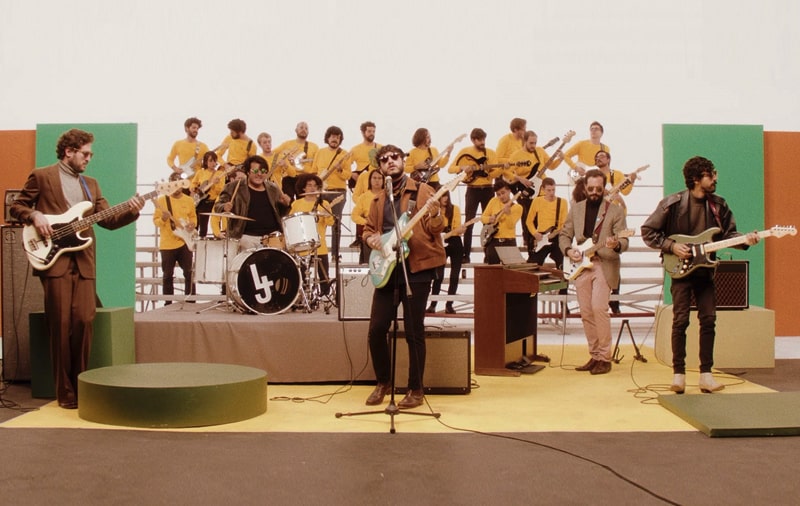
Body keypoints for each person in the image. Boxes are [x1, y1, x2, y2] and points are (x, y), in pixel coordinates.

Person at [10, 128, 144, 409]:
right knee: (60, 324)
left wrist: (133, 209)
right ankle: (65, 391)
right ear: (69, 152)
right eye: (85, 153)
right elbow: (18, 206)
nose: (88, 159)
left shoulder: (91, 185)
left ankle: (81, 385)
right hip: (53, 259)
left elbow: (108, 220)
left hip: (84, 262)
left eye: (90, 154)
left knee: (84, 321)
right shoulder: (42, 176)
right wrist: (34, 215)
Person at [641, 156, 759, 394]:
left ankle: (706, 375)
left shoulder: (719, 205)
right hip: (680, 270)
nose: (715, 178)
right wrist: (672, 246)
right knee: (680, 320)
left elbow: (728, 235)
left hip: (705, 271)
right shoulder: (672, 203)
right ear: (696, 179)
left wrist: (745, 240)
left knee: (708, 320)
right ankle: (679, 375)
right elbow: (648, 231)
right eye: (710, 174)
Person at [363, 145, 445, 409]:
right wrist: (372, 239)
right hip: (387, 269)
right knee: (376, 330)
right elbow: (367, 231)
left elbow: (437, 228)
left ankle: (416, 389)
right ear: (380, 168)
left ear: (403, 160)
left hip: (416, 268)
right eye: (384, 160)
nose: (390, 162)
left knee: (413, 331)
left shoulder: (423, 192)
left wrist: (435, 213)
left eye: (394, 157)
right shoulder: (377, 200)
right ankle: (383, 382)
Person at [558, 169, 628, 376]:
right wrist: (569, 250)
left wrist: (615, 245)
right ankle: (595, 355)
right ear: (584, 188)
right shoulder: (576, 209)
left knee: (599, 308)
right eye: (591, 188)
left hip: (604, 264)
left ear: (604, 187)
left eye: (599, 188)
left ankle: (605, 358)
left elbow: (624, 240)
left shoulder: (614, 211)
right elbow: (564, 234)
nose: (595, 192)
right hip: (581, 266)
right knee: (586, 312)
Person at [448, 128, 505, 263]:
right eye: (479, 140)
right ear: (473, 140)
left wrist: (490, 173)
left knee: (490, 221)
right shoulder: (465, 152)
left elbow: (497, 171)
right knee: (469, 221)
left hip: (488, 189)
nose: (482, 142)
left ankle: (489, 254)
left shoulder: (490, 153)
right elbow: (450, 169)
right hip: (472, 189)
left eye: (484, 139)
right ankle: (465, 254)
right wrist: (462, 168)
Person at [214, 155, 291, 253]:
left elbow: (281, 214)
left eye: (263, 171)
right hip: (245, 237)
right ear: (247, 172)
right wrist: (224, 207)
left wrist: (285, 205)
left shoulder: (273, 188)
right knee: (250, 264)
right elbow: (218, 206)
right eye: (255, 171)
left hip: (272, 237)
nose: (259, 174)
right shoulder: (233, 187)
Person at [594, 149, 638, 314]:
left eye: (602, 156)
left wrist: (631, 181)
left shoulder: (616, 175)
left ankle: (614, 300)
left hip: (614, 218)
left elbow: (625, 191)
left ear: (609, 159)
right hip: (597, 219)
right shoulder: (592, 176)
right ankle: (599, 300)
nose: (599, 158)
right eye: (596, 157)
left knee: (613, 257)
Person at [507, 130, 563, 251]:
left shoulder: (540, 152)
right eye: (531, 143)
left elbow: (552, 166)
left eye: (535, 143)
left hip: (541, 192)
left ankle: (543, 246)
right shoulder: (516, 155)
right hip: (525, 190)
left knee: (541, 220)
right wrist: (521, 179)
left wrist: (561, 159)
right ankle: (529, 244)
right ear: (525, 142)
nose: (533, 146)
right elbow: (506, 172)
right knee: (527, 217)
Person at [153, 173, 197, 304]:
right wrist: (163, 218)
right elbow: (156, 221)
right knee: (167, 275)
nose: (177, 188)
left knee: (189, 272)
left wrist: (192, 224)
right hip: (167, 243)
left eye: (179, 184)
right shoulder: (162, 200)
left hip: (184, 242)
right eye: (174, 184)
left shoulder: (189, 200)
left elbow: (193, 217)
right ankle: (168, 302)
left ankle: (191, 301)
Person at [290, 174, 336, 295]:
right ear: (303, 188)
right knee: (302, 276)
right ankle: (304, 296)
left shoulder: (324, 203)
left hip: (320, 245)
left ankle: (325, 297)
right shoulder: (297, 204)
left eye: (315, 186)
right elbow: (291, 222)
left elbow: (331, 222)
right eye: (309, 185)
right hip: (302, 245)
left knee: (323, 277)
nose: (312, 188)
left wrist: (326, 215)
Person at [312, 126, 351, 260]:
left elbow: (348, 176)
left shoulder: (344, 154)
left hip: (338, 192)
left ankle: (335, 254)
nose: (335, 139)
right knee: (318, 221)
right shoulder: (320, 152)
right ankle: (316, 252)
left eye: (338, 137)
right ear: (328, 138)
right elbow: (314, 171)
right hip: (322, 191)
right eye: (333, 136)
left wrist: (340, 170)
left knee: (336, 222)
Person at [426, 191, 464, 314]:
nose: (445, 198)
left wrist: (455, 231)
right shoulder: (434, 211)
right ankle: (433, 305)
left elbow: (457, 228)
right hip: (440, 242)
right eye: (442, 196)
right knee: (438, 275)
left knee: (454, 275)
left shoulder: (455, 209)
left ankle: (449, 304)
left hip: (455, 242)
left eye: (446, 195)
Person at [525, 177, 567, 269]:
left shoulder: (562, 202)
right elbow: (529, 221)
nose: (552, 193)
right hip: (541, 237)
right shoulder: (537, 200)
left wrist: (555, 233)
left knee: (563, 266)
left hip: (557, 238)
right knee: (532, 266)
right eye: (549, 190)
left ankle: (564, 282)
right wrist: (535, 233)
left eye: (553, 190)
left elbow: (564, 224)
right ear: (543, 189)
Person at [480, 179, 523, 265]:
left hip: (509, 241)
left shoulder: (518, 207)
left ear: (509, 191)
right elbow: (482, 218)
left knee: (510, 272)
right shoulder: (493, 201)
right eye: (498, 194)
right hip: (493, 241)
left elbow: (511, 225)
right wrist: (490, 219)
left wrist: (508, 214)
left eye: (503, 193)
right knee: (493, 270)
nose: (501, 196)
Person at [274, 121, 319, 200]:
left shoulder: (314, 147)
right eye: (301, 127)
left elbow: (317, 165)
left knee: (303, 201)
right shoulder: (287, 144)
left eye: (306, 128)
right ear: (296, 130)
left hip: (304, 178)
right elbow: (273, 154)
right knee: (288, 202)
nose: (304, 130)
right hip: (288, 177)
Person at [351, 169, 385, 264]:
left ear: (383, 180)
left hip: (386, 231)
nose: (377, 181)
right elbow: (354, 215)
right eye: (374, 178)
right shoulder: (364, 197)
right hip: (370, 232)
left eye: (379, 178)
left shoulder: (388, 195)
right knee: (369, 263)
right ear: (370, 180)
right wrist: (367, 222)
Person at [190, 151, 226, 238]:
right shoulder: (200, 172)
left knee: (216, 222)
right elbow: (193, 184)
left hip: (214, 201)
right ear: (205, 162)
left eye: (214, 161)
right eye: (210, 161)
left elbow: (221, 190)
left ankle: (218, 237)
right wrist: (194, 190)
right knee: (201, 224)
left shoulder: (219, 174)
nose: (213, 163)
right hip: (202, 201)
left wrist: (215, 184)